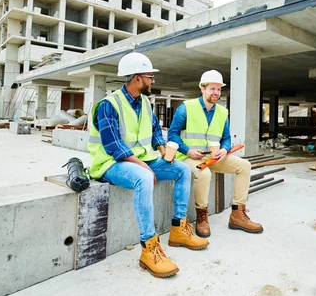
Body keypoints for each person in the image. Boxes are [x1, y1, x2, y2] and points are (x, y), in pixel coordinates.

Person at [88, 52, 208, 279]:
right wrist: (144, 167)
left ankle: (178, 230)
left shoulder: (144, 102)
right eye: (149, 76)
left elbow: (154, 130)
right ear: (136, 78)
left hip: (141, 159)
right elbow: (114, 146)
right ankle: (149, 248)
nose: (153, 80)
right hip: (110, 164)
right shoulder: (108, 105)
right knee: (143, 178)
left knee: (181, 169)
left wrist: (163, 151)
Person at [168, 70, 263, 238]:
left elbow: (226, 138)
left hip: (212, 157)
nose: (216, 93)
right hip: (189, 157)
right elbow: (172, 134)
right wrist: (187, 150)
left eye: (219, 89)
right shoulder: (186, 108)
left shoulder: (222, 112)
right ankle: (202, 216)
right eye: (212, 89)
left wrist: (225, 149)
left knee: (245, 166)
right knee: (204, 174)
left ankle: (237, 215)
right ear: (202, 89)